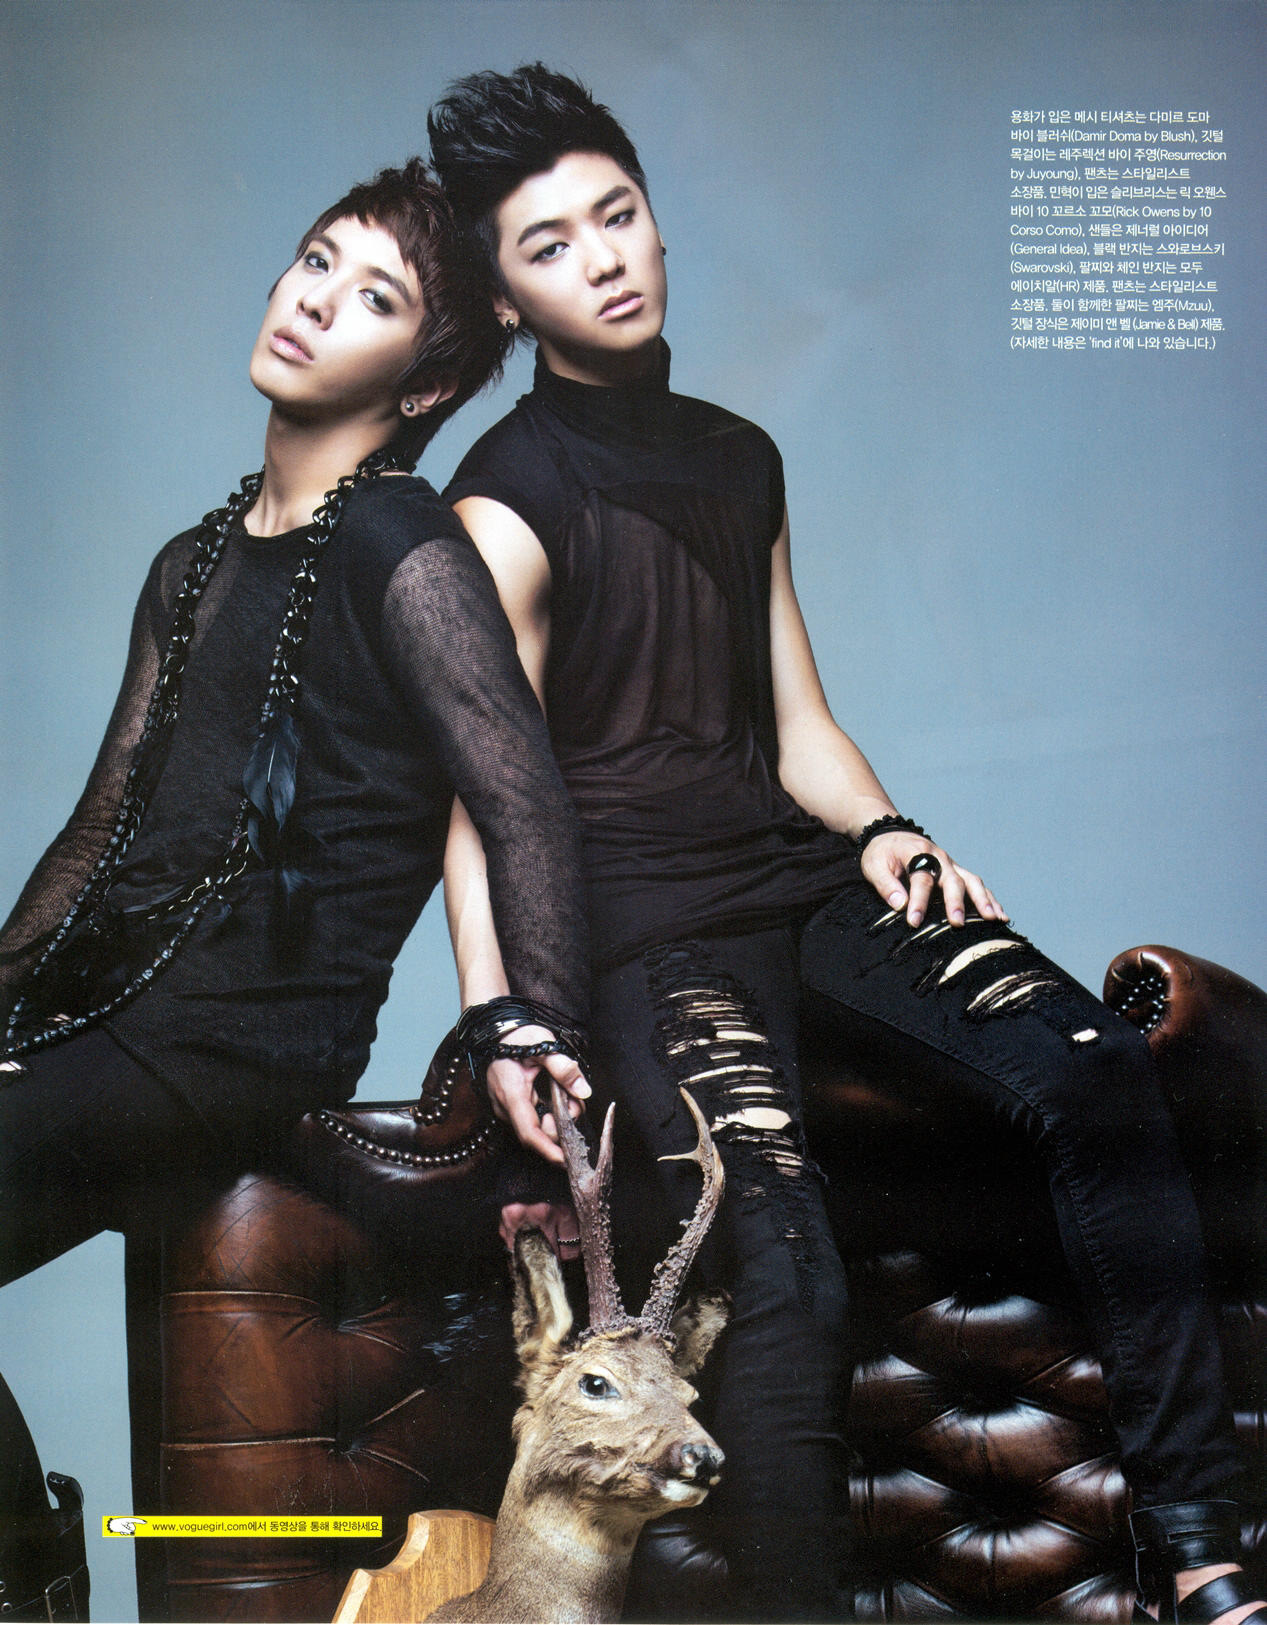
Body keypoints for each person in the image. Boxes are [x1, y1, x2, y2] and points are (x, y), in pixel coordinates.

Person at [427, 65, 1266, 1625]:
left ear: (654, 219)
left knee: (1091, 1062)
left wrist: (884, 829)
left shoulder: (737, 455)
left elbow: (798, 723)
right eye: (551, 245)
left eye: (618, 215)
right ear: (503, 296)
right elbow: (480, 801)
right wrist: (505, 1019)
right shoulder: (501, 502)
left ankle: (1199, 1553)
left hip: (796, 880)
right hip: (646, 933)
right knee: (784, 1267)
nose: (603, 258)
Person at [0, 158, 592, 1307]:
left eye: (374, 296)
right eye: (317, 259)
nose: (315, 298)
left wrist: (535, 1030)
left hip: (232, 1054)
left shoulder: (406, 550)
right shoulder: (192, 563)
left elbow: (521, 802)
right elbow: (102, 828)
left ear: (425, 386)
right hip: (107, 1021)